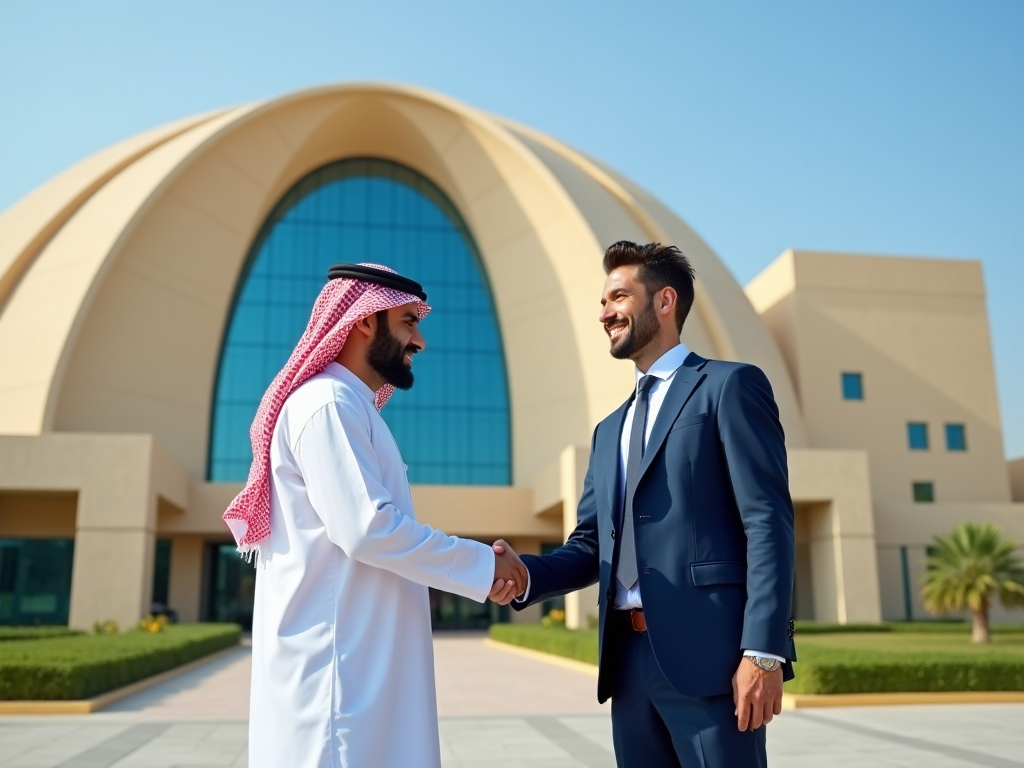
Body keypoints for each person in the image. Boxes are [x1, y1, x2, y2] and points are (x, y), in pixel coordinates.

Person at [501, 241, 796, 767]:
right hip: (628, 667)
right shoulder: (607, 429)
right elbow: (591, 544)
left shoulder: (728, 387)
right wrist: (524, 576)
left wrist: (765, 652)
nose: (604, 313)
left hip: (713, 661)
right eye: (602, 300)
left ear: (664, 302)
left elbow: (767, 522)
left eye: (618, 296)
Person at [223, 263, 526, 768]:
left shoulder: (354, 407)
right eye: (408, 322)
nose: (420, 340)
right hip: (338, 688)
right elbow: (367, 530)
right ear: (365, 320)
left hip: (359, 676)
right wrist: (483, 565)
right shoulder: (327, 404)